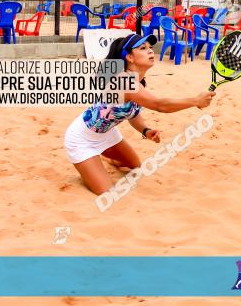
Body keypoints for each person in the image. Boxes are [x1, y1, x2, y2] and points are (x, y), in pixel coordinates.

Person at [63, 33, 214, 195]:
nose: (150, 51)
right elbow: (159, 105)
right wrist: (195, 101)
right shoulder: (125, 82)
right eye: (143, 48)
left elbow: (132, 114)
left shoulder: (138, 81)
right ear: (129, 57)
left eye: (150, 47)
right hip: (81, 140)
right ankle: (89, 164)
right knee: (107, 192)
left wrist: (145, 130)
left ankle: (101, 157)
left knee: (135, 164)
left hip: (107, 134)